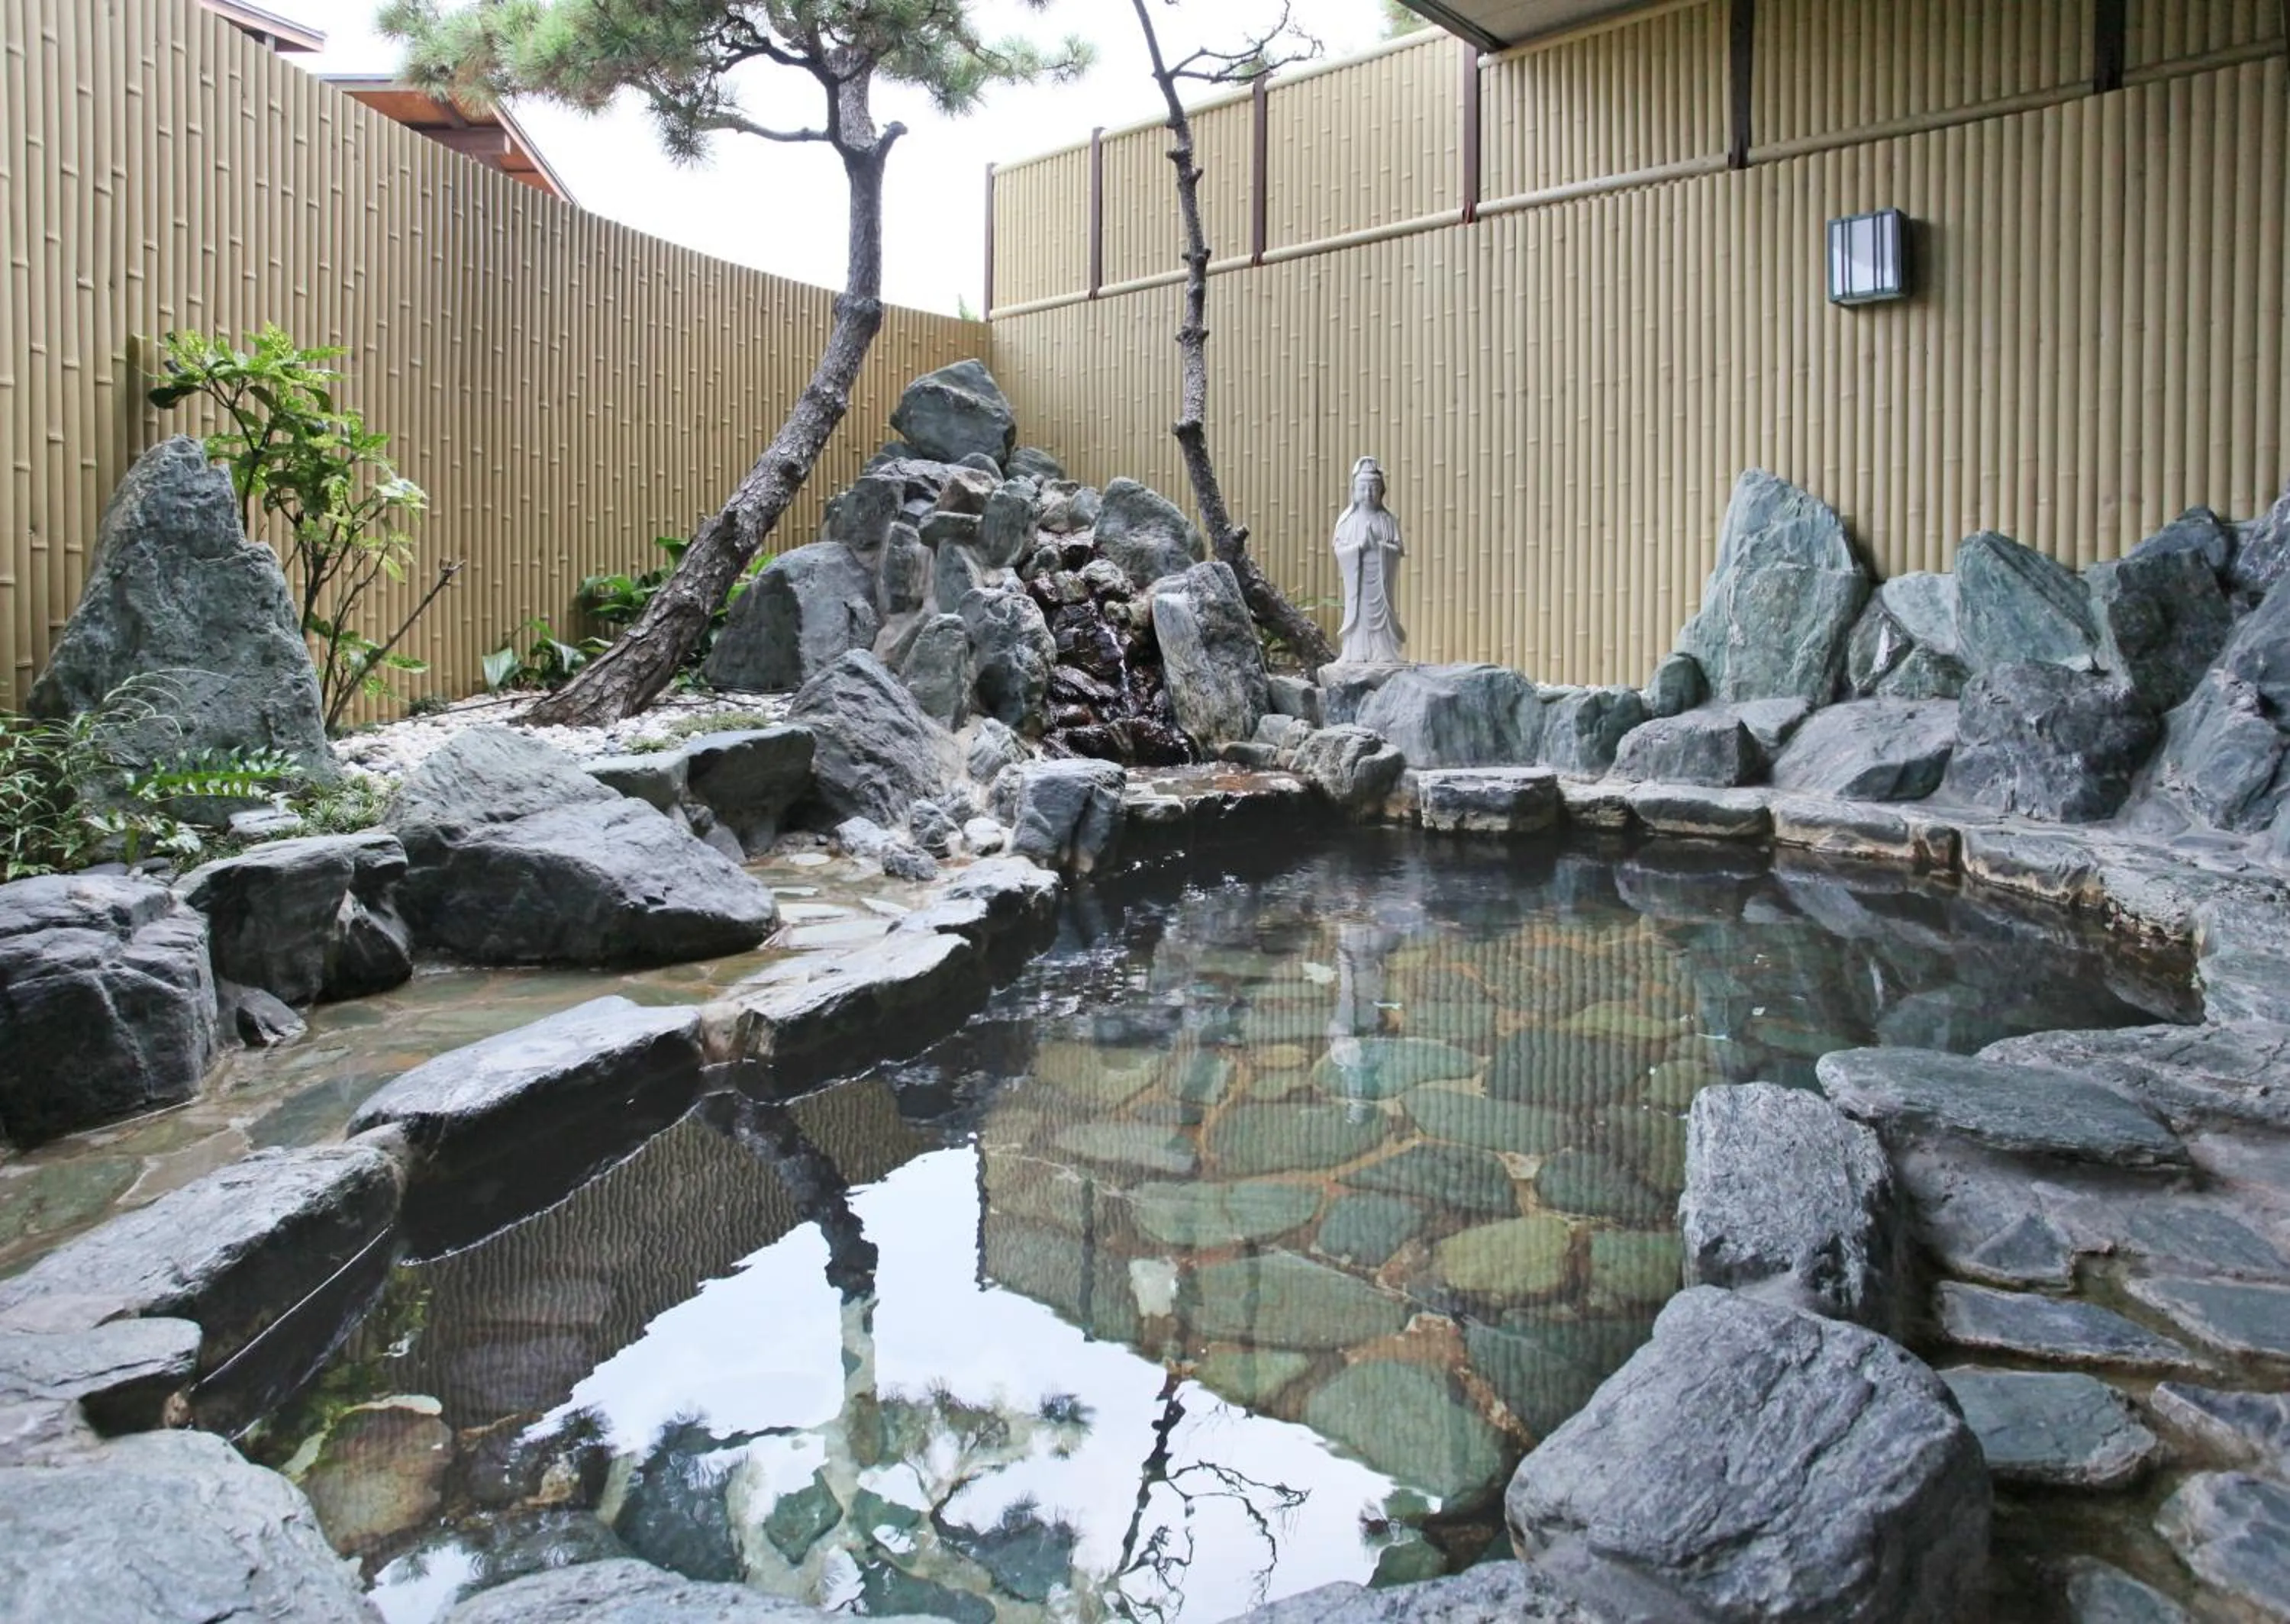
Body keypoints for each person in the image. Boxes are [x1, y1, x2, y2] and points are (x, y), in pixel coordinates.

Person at [1333, 456, 1406, 665]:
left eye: (1374, 488)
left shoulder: (1388, 519)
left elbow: (1399, 549)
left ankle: (1383, 653)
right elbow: (1339, 549)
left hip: (1381, 581)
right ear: (1354, 490)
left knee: (1382, 616)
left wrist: (1381, 547)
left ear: (1382, 490)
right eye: (1363, 488)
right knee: (1359, 615)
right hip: (1359, 581)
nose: (1369, 493)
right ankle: (1356, 652)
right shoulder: (1348, 520)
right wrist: (1360, 547)